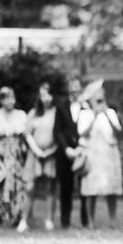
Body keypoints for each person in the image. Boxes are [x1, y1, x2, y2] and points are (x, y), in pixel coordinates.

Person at [77, 82, 123, 229]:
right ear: (90, 99)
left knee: (111, 189)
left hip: (109, 153)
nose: (99, 99)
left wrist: (106, 114)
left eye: (101, 97)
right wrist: (95, 116)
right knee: (91, 189)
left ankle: (113, 220)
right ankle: (91, 221)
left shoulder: (110, 113)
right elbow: (82, 133)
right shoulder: (84, 114)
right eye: (96, 97)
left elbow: (118, 132)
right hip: (92, 154)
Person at [0, 87, 28, 226]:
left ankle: (15, 215)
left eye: (12, 98)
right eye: (6, 98)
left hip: (15, 156)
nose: (10, 101)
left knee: (16, 184)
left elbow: (26, 135)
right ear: (1, 100)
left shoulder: (21, 115)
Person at [20, 83, 58, 232]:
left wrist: (50, 151)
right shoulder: (34, 113)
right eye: (43, 96)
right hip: (34, 154)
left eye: (49, 95)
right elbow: (27, 134)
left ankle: (49, 220)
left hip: (51, 154)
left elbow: (59, 134)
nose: (46, 99)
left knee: (50, 188)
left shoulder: (56, 113)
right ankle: (24, 220)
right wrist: (37, 150)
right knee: (30, 187)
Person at [54, 75, 89, 228]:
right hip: (65, 153)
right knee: (65, 188)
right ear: (68, 89)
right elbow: (58, 130)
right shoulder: (61, 106)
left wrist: (82, 147)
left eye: (77, 88)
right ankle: (65, 221)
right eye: (72, 88)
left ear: (81, 89)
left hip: (83, 152)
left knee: (85, 188)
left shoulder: (87, 106)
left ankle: (86, 220)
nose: (75, 91)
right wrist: (66, 148)